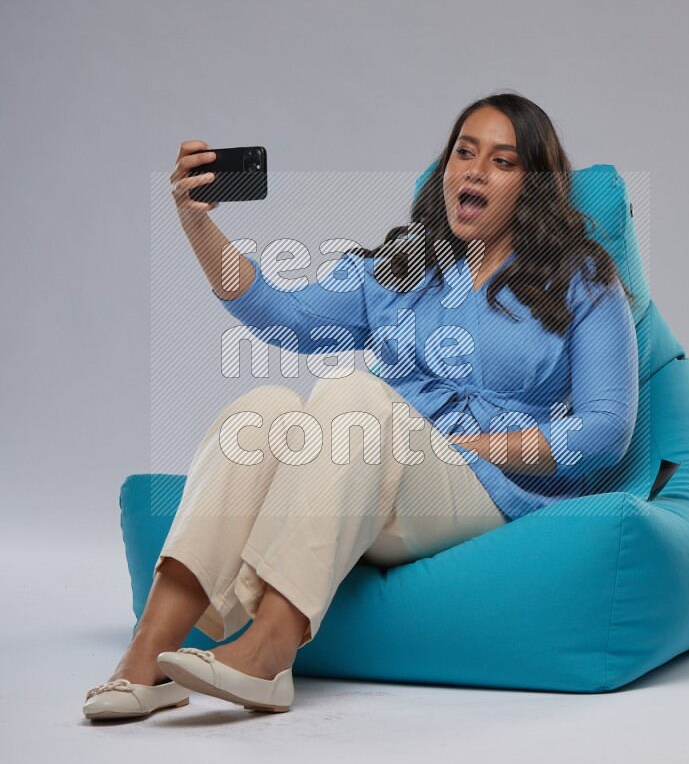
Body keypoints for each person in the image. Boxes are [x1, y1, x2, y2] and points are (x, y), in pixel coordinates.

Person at [83, 92, 639, 720]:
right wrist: (197, 225)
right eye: (464, 152)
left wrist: (473, 446)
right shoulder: (405, 267)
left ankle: (268, 651)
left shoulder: (584, 280)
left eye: (503, 162)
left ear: (532, 187)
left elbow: (606, 429)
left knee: (352, 396)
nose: (475, 171)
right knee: (261, 410)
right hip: (366, 473)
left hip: (484, 487)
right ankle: (148, 659)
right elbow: (283, 315)